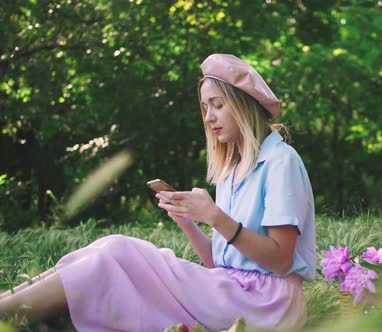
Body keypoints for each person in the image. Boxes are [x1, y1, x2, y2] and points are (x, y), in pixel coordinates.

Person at [0, 54, 316, 332]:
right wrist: (187, 221)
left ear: (245, 105)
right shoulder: (232, 169)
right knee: (114, 247)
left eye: (218, 105)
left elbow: (279, 261)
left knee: (118, 254)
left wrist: (214, 217)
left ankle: (8, 314)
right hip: (231, 290)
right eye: (205, 107)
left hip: (269, 306)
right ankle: (8, 308)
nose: (208, 117)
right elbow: (222, 265)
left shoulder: (280, 162)